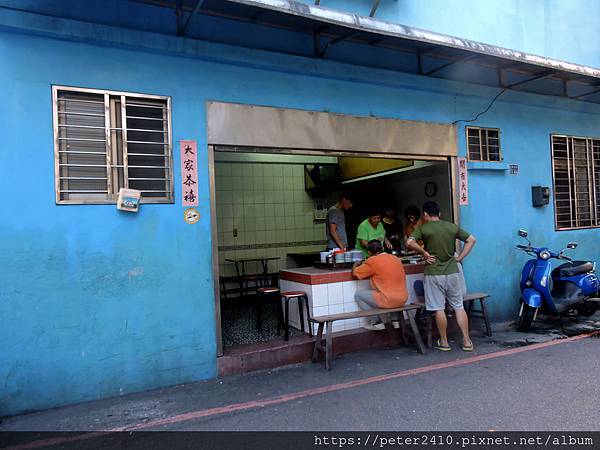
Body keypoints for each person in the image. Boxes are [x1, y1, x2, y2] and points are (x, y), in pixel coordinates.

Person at [406, 201, 477, 352]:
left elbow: (409, 242)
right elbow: (472, 240)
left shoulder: (423, 228)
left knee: (438, 308)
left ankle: (444, 342)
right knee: (458, 306)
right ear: (439, 213)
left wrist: (424, 252)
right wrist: (460, 257)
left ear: (425, 215)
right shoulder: (451, 226)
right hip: (452, 272)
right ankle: (467, 341)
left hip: (433, 273)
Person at [352, 240, 408, 330]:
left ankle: (376, 323)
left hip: (388, 300)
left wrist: (355, 264)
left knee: (358, 295)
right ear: (382, 248)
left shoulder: (372, 261)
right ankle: (395, 321)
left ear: (369, 252)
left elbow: (355, 273)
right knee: (392, 291)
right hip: (403, 299)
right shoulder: (396, 258)